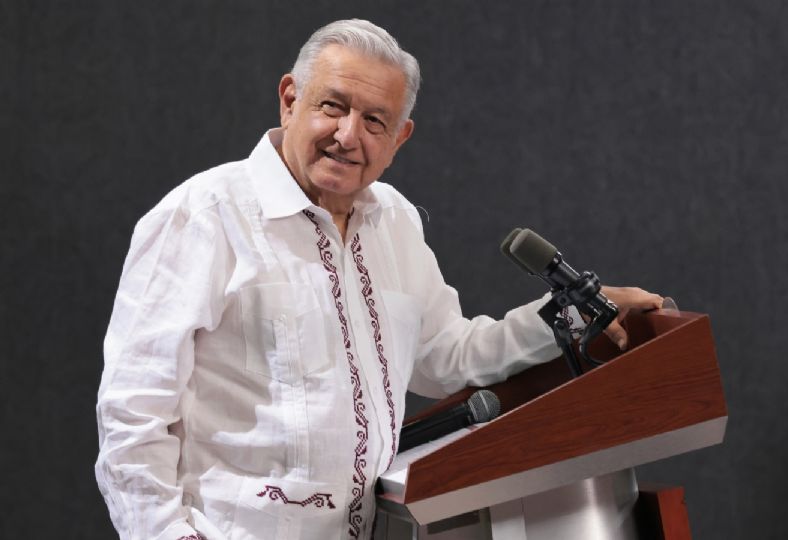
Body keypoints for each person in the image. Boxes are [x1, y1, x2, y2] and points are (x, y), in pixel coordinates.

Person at [95, 19, 663, 540]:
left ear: (400, 137)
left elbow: (447, 357)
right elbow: (132, 417)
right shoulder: (204, 215)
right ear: (290, 99)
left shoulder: (395, 220)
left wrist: (571, 315)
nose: (348, 136)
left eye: (374, 121)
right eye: (332, 106)